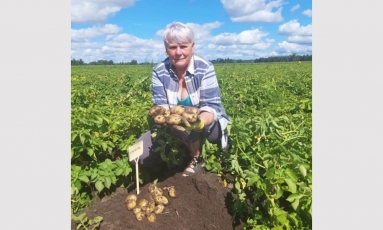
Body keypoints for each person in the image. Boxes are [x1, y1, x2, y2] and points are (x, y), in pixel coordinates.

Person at [135, 22, 230, 177]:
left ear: (192, 47)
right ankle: (174, 157)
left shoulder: (205, 67)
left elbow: (211, 105)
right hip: (174, 126)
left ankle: (197, 157)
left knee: (212, 134)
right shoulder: (160, 71)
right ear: (166, 49)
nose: (178, 52)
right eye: (172, 47)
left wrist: (197, 122)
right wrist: (163, 117)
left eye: (183, 46)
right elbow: (160, 106)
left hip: (204, 124)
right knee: (139, 156)